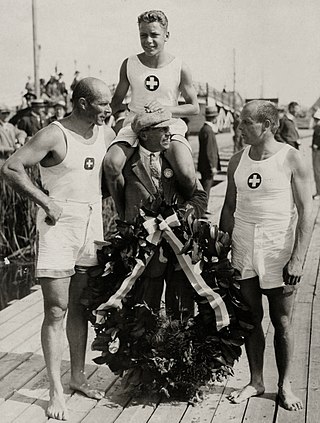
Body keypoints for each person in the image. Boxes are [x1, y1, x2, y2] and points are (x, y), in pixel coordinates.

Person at [1, 77, 115, 421]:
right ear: (82, 103)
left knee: (81, 305)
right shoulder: (54, 134)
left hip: (91, 223)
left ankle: (77, 377)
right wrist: (45, 201)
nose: (108, 110)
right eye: (102, 104)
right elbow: (10, 167)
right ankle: (55, 391)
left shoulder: (105, 132)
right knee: (56, 309)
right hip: (58, 224)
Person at [219, 100, 313, 411]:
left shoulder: (291, 158)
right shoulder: (236, 160)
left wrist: (297, 258)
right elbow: (229, 207)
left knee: (282, 320)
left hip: (278, 249)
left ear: (267, 126)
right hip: (244, 249)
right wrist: (221, 247)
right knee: (250, 319)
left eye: (247, 123)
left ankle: (284, 385)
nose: (240, 127)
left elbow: (306, 213)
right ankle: (256, 380)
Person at [104, 9, 200, 219]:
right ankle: (123, 219)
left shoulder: (179, 66)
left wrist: (169, 110)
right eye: (143, 35)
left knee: (186, 172)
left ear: (166, 35)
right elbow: (115, 102)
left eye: (154, 35)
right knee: (111, 165)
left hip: (168, 125)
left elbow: (194, 107)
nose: (148, 41)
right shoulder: (129, 64)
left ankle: (192, 216)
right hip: (135, 124)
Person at [114, 110, 207, 319]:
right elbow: (119, 202)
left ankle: (179, 351)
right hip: (145, 259)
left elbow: (199, 196)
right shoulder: (127, 167)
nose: (169, 134)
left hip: (179, 253)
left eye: (169, 128)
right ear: (144, 135)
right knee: (143, 316)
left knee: (182, 316)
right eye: (162, 129)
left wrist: (180, 217)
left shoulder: (177, 160)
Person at [197, 105, 221, 198]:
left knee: (205, 187)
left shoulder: (204, 129)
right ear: (214, 118)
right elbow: (209, 150)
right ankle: (203, 209)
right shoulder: (209, 130)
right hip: (208, 166)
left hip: (204, 165)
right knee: (206, 188)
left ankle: (203, 207)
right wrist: (213, 166)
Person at [312, 108, 320, 200]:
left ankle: (319, 192)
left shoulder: (318, 127)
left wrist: (316, 145)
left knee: (317, 172)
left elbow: (316, 143)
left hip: (317, 152)